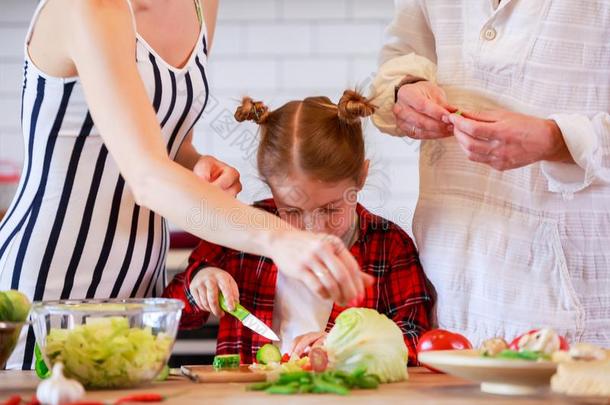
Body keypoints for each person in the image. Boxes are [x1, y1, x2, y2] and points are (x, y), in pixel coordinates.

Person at [0, 0, 370, 369]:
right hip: (51, 278)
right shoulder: (89, 8)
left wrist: (196, 165)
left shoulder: (201, 6)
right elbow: (145, 175)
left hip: (141, 284)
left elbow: (168, 146)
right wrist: (279, 237)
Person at [370, 0, 610, 346]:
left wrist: (555, 139)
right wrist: (404, 91)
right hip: (449, 300)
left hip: (577, 312)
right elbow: (399, 59)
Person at [163, 91, 434, 365]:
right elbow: (173, 314)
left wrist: (350, 345)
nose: (314, 229)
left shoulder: (389, 246)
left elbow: (415, 338)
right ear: (271, 188)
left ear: (361, 177)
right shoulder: (241, 228)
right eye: (292, 211)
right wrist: (200, 281)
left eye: (330, 209)